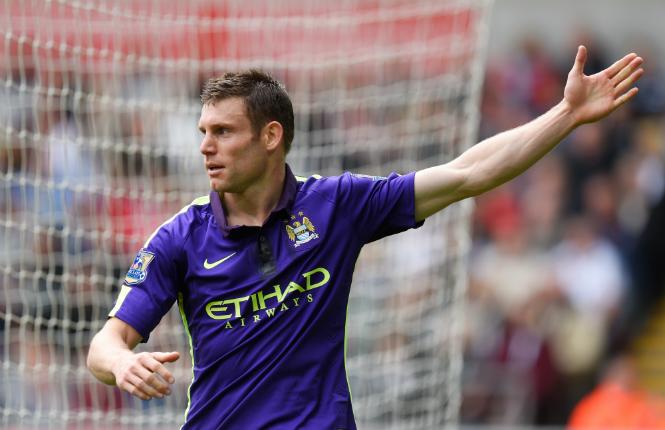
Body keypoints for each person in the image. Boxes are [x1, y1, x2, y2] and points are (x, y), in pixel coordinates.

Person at [86, 46, 644, 429]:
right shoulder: (179, 238)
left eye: (223, 132)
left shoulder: (336, 206)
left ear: (271, 136)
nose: (205, 147)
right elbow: (103, 346)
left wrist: (565, 115)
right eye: (203, 132)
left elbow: (468, 174)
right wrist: (123, 364)